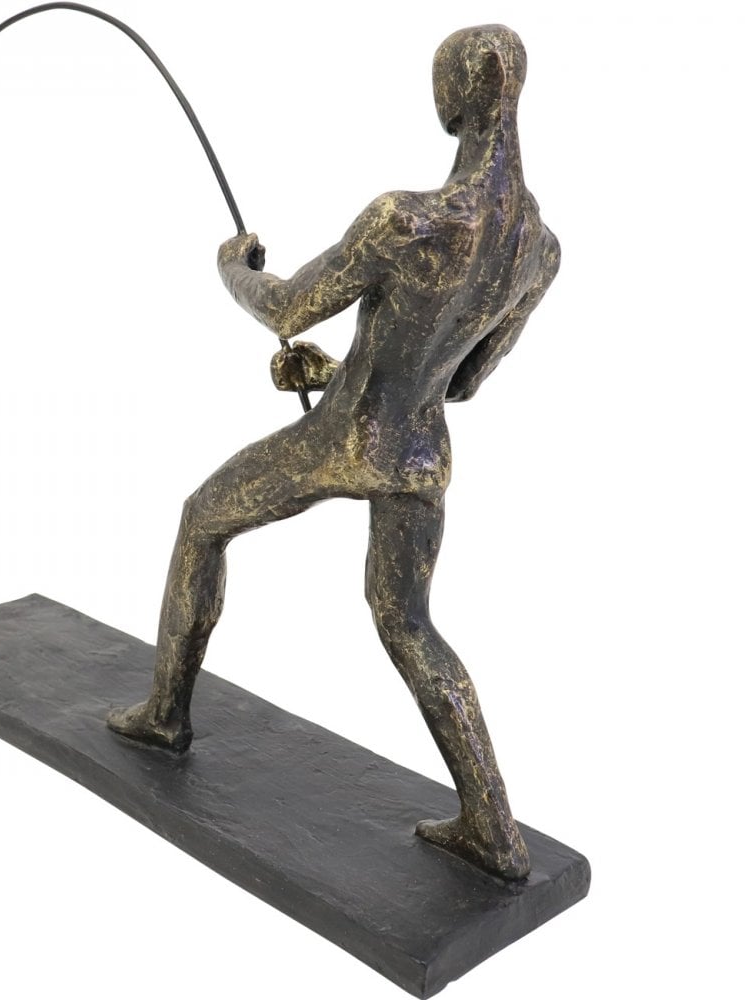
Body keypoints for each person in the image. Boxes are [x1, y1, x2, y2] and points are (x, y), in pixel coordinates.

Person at [107, 24, 559, 880]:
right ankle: (493, 828)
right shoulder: (537, 249)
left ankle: (166, 715)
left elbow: (286, 306)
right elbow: (460, 381)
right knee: (408, 624)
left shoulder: (406, 220)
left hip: (346, 437)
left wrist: (233, 267)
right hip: (419, 454)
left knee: (202, 520)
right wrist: (331, 371)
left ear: (453, 98)